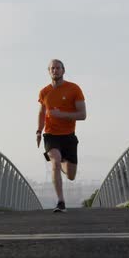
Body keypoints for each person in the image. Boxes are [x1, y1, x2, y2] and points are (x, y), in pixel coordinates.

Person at [36, 59, 87, 213]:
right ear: (49, 71)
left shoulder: (74, 89)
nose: (55, 71)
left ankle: (63, 160)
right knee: (55, 163)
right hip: (51, 135)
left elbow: (82, 115)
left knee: (71, 175)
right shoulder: (44, 91)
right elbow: (41, 112)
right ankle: (61, 202)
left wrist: (61, 115)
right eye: (52, 68)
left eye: (58, 68)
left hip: (68, 136)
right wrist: (39, 131)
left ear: (63, 71)